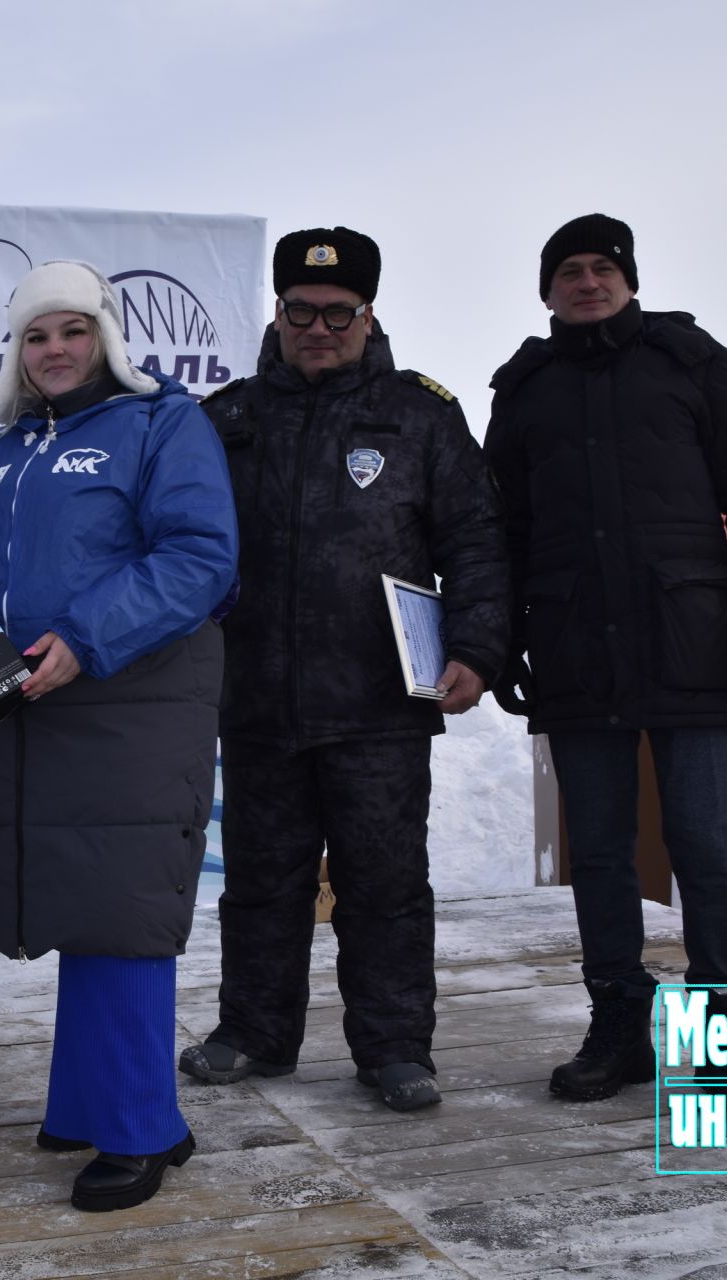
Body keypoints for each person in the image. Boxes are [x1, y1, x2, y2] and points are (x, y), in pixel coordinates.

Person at [179, 227, 510, 1113]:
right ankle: (254, 1030)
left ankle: (396, 1047)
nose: (317, 327)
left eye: (338, 312)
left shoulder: (421, 416)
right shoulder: (225, 419)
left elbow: (475, 540)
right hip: (256, 698)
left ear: (368, 316)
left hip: (379, 702)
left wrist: (478, 648)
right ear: (278, 314)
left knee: (386, 883)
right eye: (301, 311)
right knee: (260, 882)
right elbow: (184, 547)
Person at [483, 214, 727, 1100]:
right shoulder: (525, 385)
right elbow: (499, 525)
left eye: (602, 269)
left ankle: (724, 1042)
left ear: (628, 278)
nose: (587, 283)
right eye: (569, 272)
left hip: (690, 641)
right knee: (603, 855)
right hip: (576, 644)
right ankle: (620, 1029)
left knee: (706, 847)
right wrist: (504, 634)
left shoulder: (689, 361)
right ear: (546, 291)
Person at [0, 260, 238, 1212]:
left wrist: (86, 637)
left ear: (105, 338)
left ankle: (139, 1131)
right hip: (28, 708)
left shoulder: (163, 422)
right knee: (71, 898)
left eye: (72, 331)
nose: (55, 350)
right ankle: (89, 1100)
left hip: (132, 702)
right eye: (37, 336)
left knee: (119, 912)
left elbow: (200, 556)